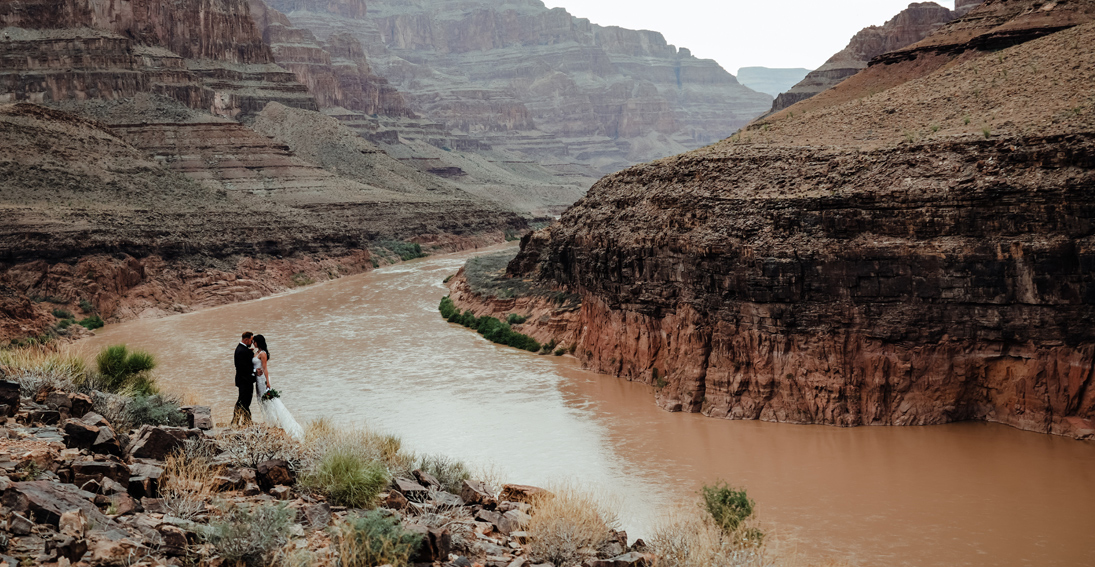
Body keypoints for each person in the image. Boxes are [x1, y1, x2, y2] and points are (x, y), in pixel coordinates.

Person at [252, 334, 304, 439]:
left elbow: (265, 368)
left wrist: (267, 382)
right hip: (257, 379)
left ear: (259, 342)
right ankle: (268, 420)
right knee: (260, 400)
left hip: (262, 379)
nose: (253, 343)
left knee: (266, 400)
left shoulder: (263, 354)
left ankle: (273, 422)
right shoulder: (255, 352)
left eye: (255, 341)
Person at [232, 331, 256, 426]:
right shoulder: (242, 351)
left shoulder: (242, 349)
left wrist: (249, 352)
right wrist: (254, 372)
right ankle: (243, 421)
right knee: (243, 401)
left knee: (244, 401)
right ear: (246, 340)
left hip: (243, 380)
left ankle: (243, 421)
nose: (252, 342)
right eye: (251, 340)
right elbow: (244, 368)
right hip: (245, 380)